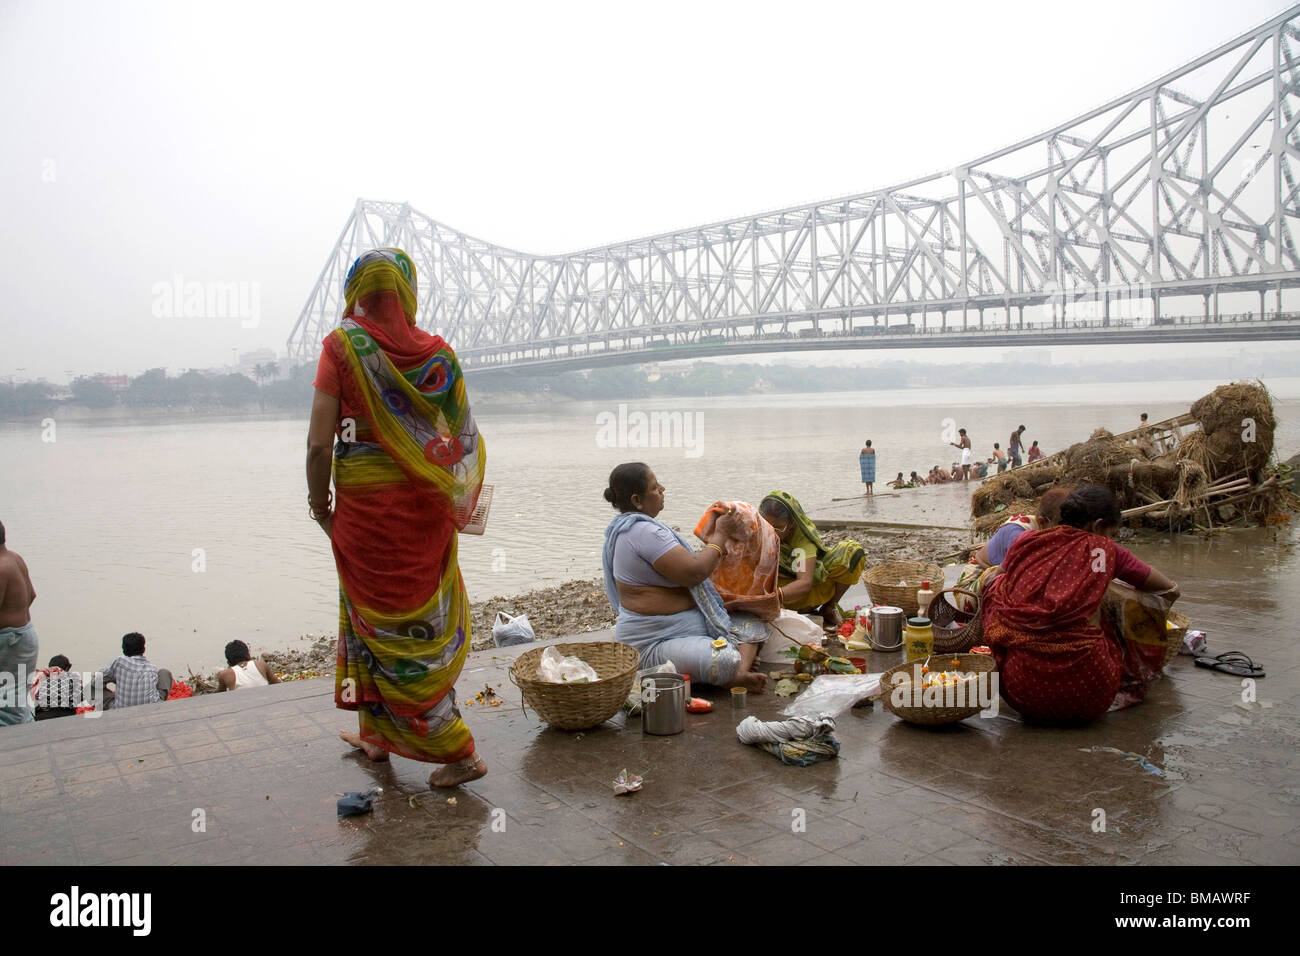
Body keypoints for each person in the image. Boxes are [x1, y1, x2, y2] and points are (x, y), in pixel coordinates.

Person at [308, 247, 488, 788]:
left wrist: (322, 508)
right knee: (412, 623)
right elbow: (459, 442)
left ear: (355, 290)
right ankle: (377, 738)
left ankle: (459, 752)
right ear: (408, 292)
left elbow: (320, 446)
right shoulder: (439, 357)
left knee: (379, 624)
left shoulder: (343, 346)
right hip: (423, 517)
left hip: (365, 519)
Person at [981, 485, 1180, 724]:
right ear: (1096, 526)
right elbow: (1165, 587)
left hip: (1021, 692)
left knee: (998, 585)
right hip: (1091, 693)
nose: (1109, 539)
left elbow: (995, 576)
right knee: (1113, 597)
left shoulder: (1026, 540)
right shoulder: (1105, 550)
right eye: (1110, 532)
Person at [602, 463, 768, 691]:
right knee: (725, 659)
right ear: (636, 501)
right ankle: (734, 672)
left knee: (752, 625)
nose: (662, 489)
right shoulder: (642, 532)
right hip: (652, 644)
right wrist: (720, 534)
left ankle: (736, 671)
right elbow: (695, 572)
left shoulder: (638, 529)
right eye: (654, 487)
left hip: (682, 630)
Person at [759, 491, 866, 629]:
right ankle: (777, 613)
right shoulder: (757, 530)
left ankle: (829, 608)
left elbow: (804, 582)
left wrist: (775, 596)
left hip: (794, 595)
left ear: (791, 524)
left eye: (778, 528)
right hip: (773, 600)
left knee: (852, 552)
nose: (771, 533)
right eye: (766, 526)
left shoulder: (802, 539)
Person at [972, 486, 1072, 568]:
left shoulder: (1043, 527)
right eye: (1060, 526)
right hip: (983, 567)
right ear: (1042, 521)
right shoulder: (1019, 534)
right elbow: (1013, 570)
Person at [0, 518, 39, 726]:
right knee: (14, 694)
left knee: (6, 703)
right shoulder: (14, 558)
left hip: (9, 640)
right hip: (24, 634)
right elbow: (32, 595)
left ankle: (15, 746)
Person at [95, 633, 173, 709]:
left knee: (92, 688)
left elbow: (95, 681)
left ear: (123, 649)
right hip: (151, 708)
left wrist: (117, 679)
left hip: (120, 708)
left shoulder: (119, 662)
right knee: (164, 672)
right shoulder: (152, 668)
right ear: (144, 649)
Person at [215, 640, 281, 692]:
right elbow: (278, 685)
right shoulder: (261, 664)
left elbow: (219, 696)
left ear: (228, 662)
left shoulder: (224, 674)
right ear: (248, 655)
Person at [32, 655, 81, 720]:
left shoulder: (40, 676)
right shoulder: (73, 676)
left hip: (42, 715)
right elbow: (80, 696)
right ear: (68, 667)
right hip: (66, 714)